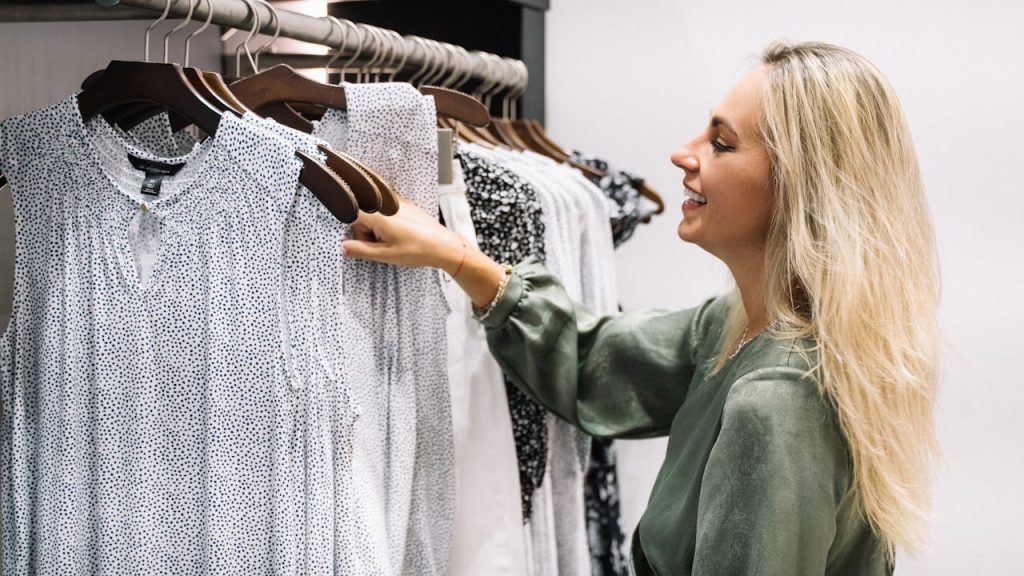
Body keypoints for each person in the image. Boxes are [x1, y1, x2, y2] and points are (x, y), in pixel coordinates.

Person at [341, 40, 941, 576]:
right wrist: (458, 257)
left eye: (721, 143)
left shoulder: (777, 405)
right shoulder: (742, 330)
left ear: (799, 186)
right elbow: (599, 359)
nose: (684, 154)